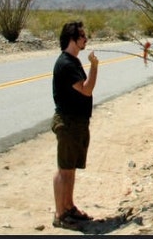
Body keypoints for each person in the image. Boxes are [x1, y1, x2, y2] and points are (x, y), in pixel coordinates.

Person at [51, 20, 99, 229]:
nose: (85, 39)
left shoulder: (73, 61)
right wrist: (95, 67)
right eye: (82, 36)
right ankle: (60, 214)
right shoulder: (67, 64)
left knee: (70, 169)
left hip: (77, 122)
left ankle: (69, 207)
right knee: (64, 169)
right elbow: (87, 89)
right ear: (73, 39)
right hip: (68, 122)